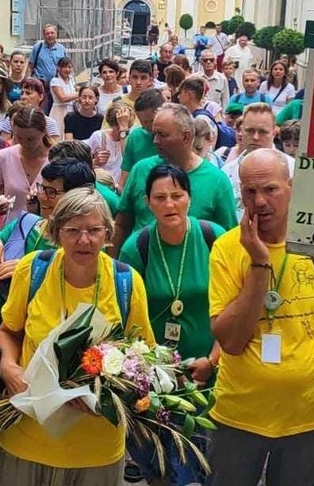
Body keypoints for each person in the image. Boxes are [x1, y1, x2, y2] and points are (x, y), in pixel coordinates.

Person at [207, 148, 314, 486]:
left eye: (270, 189)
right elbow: (231, 341)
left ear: (292, 187)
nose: (259, 201)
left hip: (307, 417)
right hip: (238, 416)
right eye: (249, 191)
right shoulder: (227, 248)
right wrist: (260, 263)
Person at [0, 187, 155, 486]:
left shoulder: (125, 282)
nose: (84, 240)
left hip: (97, 447)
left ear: (108, 233)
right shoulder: (33, 270)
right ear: (56, 232)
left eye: (95, 230)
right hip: (28, 438)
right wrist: (8, 365)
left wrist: (108, 396)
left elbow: (143, 357)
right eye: (72, 230)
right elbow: (8, 331)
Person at [119, 164, 224, 485]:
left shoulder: (212, 238)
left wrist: (213, 359)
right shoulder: (136, 248)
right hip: (156, 377)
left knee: (210, 463)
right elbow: (126, 318)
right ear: (147, 202)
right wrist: (154, 368)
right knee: (163, 464)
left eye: (177, 196)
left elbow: (234, 306)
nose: (169, 205)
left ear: (189, 199)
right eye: (160, 197)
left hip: (211, 369)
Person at [112, 104, 237, 253]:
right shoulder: (141, 170)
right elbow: (121, 225)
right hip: (143, 270)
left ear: (186, 136)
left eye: (162, 135)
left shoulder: (216, 180)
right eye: (154, 134)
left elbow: (230, 238)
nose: (155, 141)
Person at [0, 158, 97, 277]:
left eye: (51, 192)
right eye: (42, 188)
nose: (41, 197)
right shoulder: (26, 223)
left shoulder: (87, 241)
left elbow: (83, 280)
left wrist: (31, 272)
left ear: (76, 197)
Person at [221, 103, 295, 220]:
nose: (255, 137)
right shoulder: (226, 172)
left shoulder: (293, 169)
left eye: (262, 132)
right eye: (250, 131)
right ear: (241, 131)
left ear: (273, 132)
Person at [0, 106, 50, 223]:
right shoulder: (3, 157)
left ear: (43, 132)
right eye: (19, 138)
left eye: (31, 139)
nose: (24, 143)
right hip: (10, 230)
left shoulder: (56, 159)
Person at [119, 88, 164, 186]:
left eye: (150, 121)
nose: (146, 126)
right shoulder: (135, 137)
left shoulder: (174, 138)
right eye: (142, 121)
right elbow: (125, 177)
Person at [86, 101, 133, 184]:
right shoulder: (98, 136)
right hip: (103, 185)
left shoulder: (133, 136)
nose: (122, 129)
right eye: (118, 126)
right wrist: (95, 161)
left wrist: (123, 131)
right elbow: (83, 164)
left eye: (128, 126)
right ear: (112, 124)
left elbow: (128, 160)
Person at [1, 77, 61, 142]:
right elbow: (3, 145)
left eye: (28, 93)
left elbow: (53, 149)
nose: (23, 97)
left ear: (40, 97)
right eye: (22, 93)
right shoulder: (11, 119)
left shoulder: (49, 123)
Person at [102, 59, 154, 128]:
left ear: (150, 81)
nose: (138, 82)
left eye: (143, 78)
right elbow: (106, 133)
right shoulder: (115, 103)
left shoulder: (154, 105)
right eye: (135, 77)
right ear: (129, 79)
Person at [29, 24, 66, 113]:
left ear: (56, 34)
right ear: (44, 35)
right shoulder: (37, 47)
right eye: (47, 33)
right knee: (40, 110)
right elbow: (30, 66)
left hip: (55, 86)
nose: (50, 35)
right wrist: (29, 81)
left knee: (54, 110)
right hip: (40, 85)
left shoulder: (61, 49)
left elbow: (65, 67)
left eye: (52, 33)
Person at [49, 57, 79, 137]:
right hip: (59, 111)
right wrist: (79, 93)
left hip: (71, 111)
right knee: (58, 134)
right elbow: (62, 98)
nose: (67, 70)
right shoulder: (55, 81)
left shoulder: (71, 80)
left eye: (69, 67)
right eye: (64, 67)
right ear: (58, 68)